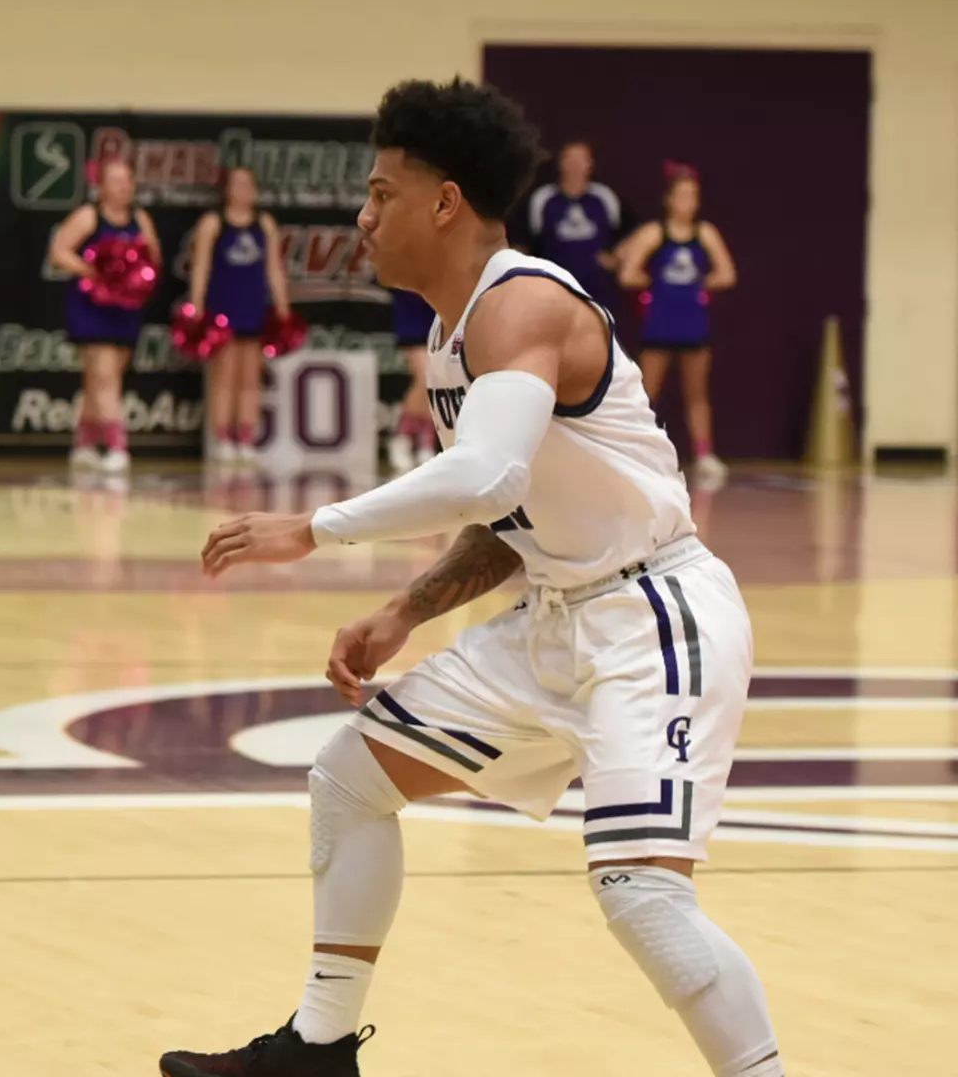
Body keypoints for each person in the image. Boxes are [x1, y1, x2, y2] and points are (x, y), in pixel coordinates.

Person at [164, 78, 782, 1077]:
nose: (363, 219)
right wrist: (406, 609)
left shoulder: (522, 300)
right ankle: (317, 1051)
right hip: (557, 616)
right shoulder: (449, 332)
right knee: (350, 779)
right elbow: (508, 514)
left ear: (445, 202)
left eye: (382, 195)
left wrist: (313, 529)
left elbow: (486, 476)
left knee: (643, 894)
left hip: (653, 616)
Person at [619, 164, 738, 486]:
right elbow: (628, 274)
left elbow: (727, 273)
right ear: (669, 199)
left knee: (697, 392)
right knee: (647, 392)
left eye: (693, 196)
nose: (688, 202)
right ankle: (635, 450)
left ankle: (704, 453)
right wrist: (656, 284)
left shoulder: (705, 233)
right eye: (682, 195)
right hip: (659, 322)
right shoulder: (654, 233)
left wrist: (700, 284)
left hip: (692, 322)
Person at [49, 158, 160, 473]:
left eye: (128, 181)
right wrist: (95, 271)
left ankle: (85, 444)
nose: (123, 187)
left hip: (125, 308)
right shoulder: (89, 216)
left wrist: (133, 275)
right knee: (104, 375)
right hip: (92, 308)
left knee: (101, 378)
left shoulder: (140, 218)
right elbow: (59, 251)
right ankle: (116, 445)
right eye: (116, 181)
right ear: (102, 186)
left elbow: (153, 257)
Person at [188, 166, 291, 465]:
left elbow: (274, 268)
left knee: (250, 377)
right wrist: (196, 305)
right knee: (224, 375)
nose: (244, 190)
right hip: (223, 308)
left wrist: (282, 305)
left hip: (254, 307)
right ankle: (222, 438)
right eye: (238, 184)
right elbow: (201, 267)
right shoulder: (213, 223)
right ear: (226, 189)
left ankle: (245, 437)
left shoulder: (264, 223)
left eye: (249, 184)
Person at [522, 139, 626, 312]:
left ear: (590, 164)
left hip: (597, 294)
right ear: (561, 163)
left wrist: (615, 258)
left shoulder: (605, 198)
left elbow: (627, 236)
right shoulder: (543, 199)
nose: (576, 165)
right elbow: (526, 243)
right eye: (570, 159)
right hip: (554, 292)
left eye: (581, 159)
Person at [385, 287, 437, 473]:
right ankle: (402, 436)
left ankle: (425, 440)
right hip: (412, 309)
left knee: (435, 381)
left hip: (438, 310)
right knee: (426, 379)